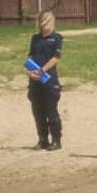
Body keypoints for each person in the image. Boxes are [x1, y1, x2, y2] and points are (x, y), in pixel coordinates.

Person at [25, 12, 63, 151]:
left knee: (51, 111)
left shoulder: (56, 38)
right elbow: (30, 57)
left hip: (49, 80)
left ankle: (56, 140)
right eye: (42, 20)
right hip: (35, 80)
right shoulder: (35, 39)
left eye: (47, 20)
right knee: (37, 111)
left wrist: (42, 70)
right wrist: (29, 71)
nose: (44, 22)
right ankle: (42, 139)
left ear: (53, 21)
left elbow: (56, 58)